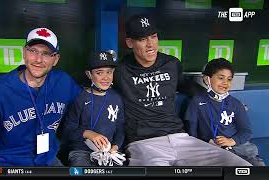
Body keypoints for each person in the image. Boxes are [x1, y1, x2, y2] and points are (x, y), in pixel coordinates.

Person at [113, 14, 252, 166]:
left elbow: (190, 88)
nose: (150, 44)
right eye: (142, 39)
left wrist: (226, 103)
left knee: (241, 166)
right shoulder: (120, 71)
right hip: (144, 142)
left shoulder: (171, 64)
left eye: (153, 37)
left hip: (180, 138)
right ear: (130, 43)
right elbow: (97, 91)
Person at [0, 27, 81, 166]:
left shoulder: (64, 82)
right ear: (24, 52)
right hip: (8, 164)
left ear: (55, 59)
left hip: (48, 161)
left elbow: (86, 106)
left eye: (46, 53)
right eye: (33, 51)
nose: (38, 59)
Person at [184, 58, 265, 166]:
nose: (225, 83)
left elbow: (246, 131)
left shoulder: (236, 104)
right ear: (207, 79)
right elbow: (191, 132)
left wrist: (232, 141)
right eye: (221, 78)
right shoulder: (197, 102)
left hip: (239, 147)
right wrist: (204, 142)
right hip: (211, 149)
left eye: (229, 79)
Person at [63, 51, 125, 166]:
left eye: (109, 72)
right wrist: (89, 133)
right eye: (99, 73)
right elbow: (67, 131)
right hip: (81, 151)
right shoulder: (79, 97)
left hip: (108, 152)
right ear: (89, 74)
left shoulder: (117, 98)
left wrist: (115, 146)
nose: (105, 77)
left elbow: (120, 128)